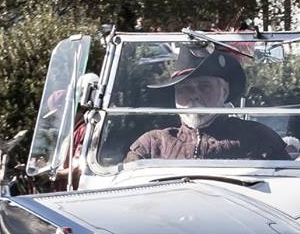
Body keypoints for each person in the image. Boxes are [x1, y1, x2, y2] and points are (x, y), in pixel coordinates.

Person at [123, 46, 289, 163]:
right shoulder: (152, 144)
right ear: (174, 97)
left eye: (205, 87)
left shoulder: (257, 137)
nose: (194, 95)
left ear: (224, 92)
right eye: (184, 89)